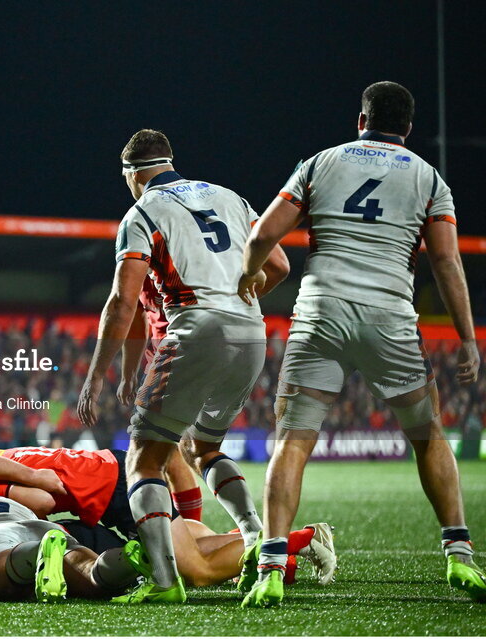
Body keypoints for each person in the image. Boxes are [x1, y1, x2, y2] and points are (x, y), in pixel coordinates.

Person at [237, 81, 485, 607]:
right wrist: (466, 337)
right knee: (427, 433)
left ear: (360, 119)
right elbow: (445, 261)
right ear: (409, 128)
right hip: (390, 319)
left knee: (293, 439)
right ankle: (460, 555)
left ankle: (272, 565)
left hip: (320, 313)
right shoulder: (428, 178)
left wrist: (248, 279)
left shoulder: (320, 163)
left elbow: (261, 234)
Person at [77, 129, 289, 603]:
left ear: (131, 175)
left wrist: (96, 374)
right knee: (203, 447)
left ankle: (165, 583)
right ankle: (254, 538)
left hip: (196, 329)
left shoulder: (142, 211)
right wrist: (243, 302)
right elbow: (279, 266)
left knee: (143, 459)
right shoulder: (229, 196)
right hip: (252, 331)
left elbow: (122, 300)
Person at [0, 446, 335, 588]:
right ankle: (294, 551)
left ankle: (294, 543)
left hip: (120, 490)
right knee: (192, 547)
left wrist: (18, 513)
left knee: (197, 572)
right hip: (114, 476)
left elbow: (43, 493)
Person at [0, 483, 149, 602]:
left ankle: (36, 555)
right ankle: (130, 561)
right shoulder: (0, 498)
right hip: (39, 526)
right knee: (93, 579)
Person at [121, 281, 203, 521]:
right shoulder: (149, 265)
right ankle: (194, 529)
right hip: (165, 361)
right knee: (173, 453)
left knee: (156, 454)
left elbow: (123, 311)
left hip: (175, 360)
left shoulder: (152, 261)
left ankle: (195, 532)